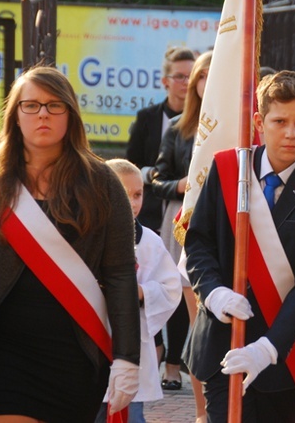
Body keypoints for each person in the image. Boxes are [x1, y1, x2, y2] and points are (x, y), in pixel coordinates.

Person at [0, 66, 140, 422]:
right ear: (15, 116)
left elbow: (121, 273)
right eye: (30, 105)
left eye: (54, 105)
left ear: (71, 115)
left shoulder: (103, 184)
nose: (43, 113)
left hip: (71, 356)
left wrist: (127, 356)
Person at [183, 71, 295, 423]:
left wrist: (268, 348)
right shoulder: (228, 168)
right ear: (259, 121)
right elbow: (199, 243)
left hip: (281, 350)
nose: (291, 132)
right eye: (279, 121)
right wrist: (213, 294)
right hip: (222, 342)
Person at [95, 159, 183, 423]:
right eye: (124, 194)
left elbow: (171, 288)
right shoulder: (87, 236)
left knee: (131, 413)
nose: (132, 203)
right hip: (96, 338)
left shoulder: (150, 242)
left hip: (133, 345)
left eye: (137, 195)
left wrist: (143, 292)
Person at [151, 51, 212, 420]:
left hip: (224, 225)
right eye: (201, 77)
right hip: (183, 221)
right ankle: (202, 410)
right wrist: (181, 186)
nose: (207, 83)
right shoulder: (177, 127)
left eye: (213, 75)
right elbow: (155, 178)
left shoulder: (241, 124)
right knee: (192, 316)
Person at [126, 46, 195, 234]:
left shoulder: (205, 120)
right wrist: (152, 174)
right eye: (180, 76)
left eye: (191, 76)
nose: (187, 82)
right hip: (152, 212)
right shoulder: (146, 118)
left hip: (189, 212)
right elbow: (131, 164)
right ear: (165, 81)